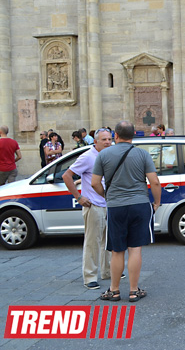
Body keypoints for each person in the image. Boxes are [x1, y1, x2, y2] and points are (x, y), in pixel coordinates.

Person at [92, 121, 161, 302]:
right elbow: (154, 181)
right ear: (133, 135)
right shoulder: (142, 154)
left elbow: (94, 183)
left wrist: (107, 196)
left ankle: (114, 290)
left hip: (116, 206)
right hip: (139, 204)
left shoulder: (103, 155)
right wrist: (157, 202)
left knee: (117, 250)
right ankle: (133, 290)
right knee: (135, 248)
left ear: (115, 135)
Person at [63, 128, 114, 290]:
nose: (107, 142)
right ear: (96, 141)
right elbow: (67, 175)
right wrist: (78, 197)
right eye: (104, 139)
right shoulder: (87, 157)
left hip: (109, 204)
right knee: (93, 242)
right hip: (93, 205)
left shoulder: (109, 155)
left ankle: (107, 271)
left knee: (109, 241)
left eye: (109, 139)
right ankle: (90, 276)